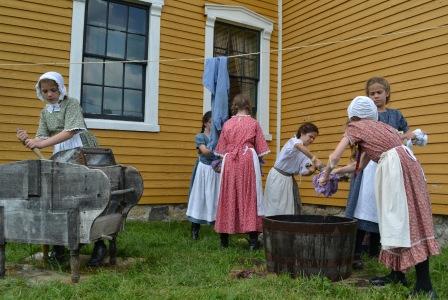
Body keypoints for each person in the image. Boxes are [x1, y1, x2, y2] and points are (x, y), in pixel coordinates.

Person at [320, 96, 439, 298]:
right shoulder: (381, 128)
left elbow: (334, 156)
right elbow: (358, 167)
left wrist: (325, 173)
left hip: (396, 170)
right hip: (407, 167)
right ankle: (397, 274)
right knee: (397, 220)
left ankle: (425, 287)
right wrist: (335, 173)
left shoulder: (355, 127)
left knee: (407, 222)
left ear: (353, 116)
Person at [16, 71, 106, 267]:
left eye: (53, 90)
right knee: (60, 195)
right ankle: (60, 244)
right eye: (45, 91)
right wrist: (29, 140)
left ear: (60, 88)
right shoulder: (45, 112)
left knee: (85, 194)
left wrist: (42, 143)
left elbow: (70, 131)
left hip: (79, 148)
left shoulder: (71, 103)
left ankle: (99, 243)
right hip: (60, 151)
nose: (49, 94)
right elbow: (41, 136)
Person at [336, 76, 415, 269]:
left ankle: (377, 251)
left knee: (384, 206)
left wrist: (405, 136)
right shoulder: (365, 116)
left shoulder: (396, 115)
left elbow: (407, 136)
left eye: (379, 92)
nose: (375, 96)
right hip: (367, 167)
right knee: (363, 206)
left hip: (389, 167)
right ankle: (355, 252)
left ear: (387, 93)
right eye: (371, 93)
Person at [213, 94, 270, 250]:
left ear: (235, 106)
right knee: (249, 195)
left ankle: (224, 241)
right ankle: (252, 242)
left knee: (227, 194)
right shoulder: (254, 123)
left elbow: (221, 148)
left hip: (230, 159)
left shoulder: (227, 124)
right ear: (248, 106)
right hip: (247, 159)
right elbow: (261, 150)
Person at [263, 122, 323, 216]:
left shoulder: (305, 154)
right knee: (275, 206)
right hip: (277, 177)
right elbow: (299, 146)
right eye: (310, 136)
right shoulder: (294, 141)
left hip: (288, 180)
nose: (312, 140)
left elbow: (304, 172)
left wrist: (312, 170)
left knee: (287, 209)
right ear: (302, 133)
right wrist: (314, 159)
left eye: (314, 138)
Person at [186, 111, 220, 240]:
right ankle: (195, 230)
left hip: (215, 170)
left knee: (215, 197)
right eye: (211, 122)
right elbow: (205, 151)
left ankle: (218, 228)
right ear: (206, 123)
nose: (214, 125)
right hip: (203, 170)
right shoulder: (200, 136)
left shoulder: (219, 137)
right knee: (199, 198)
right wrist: (218, 149)